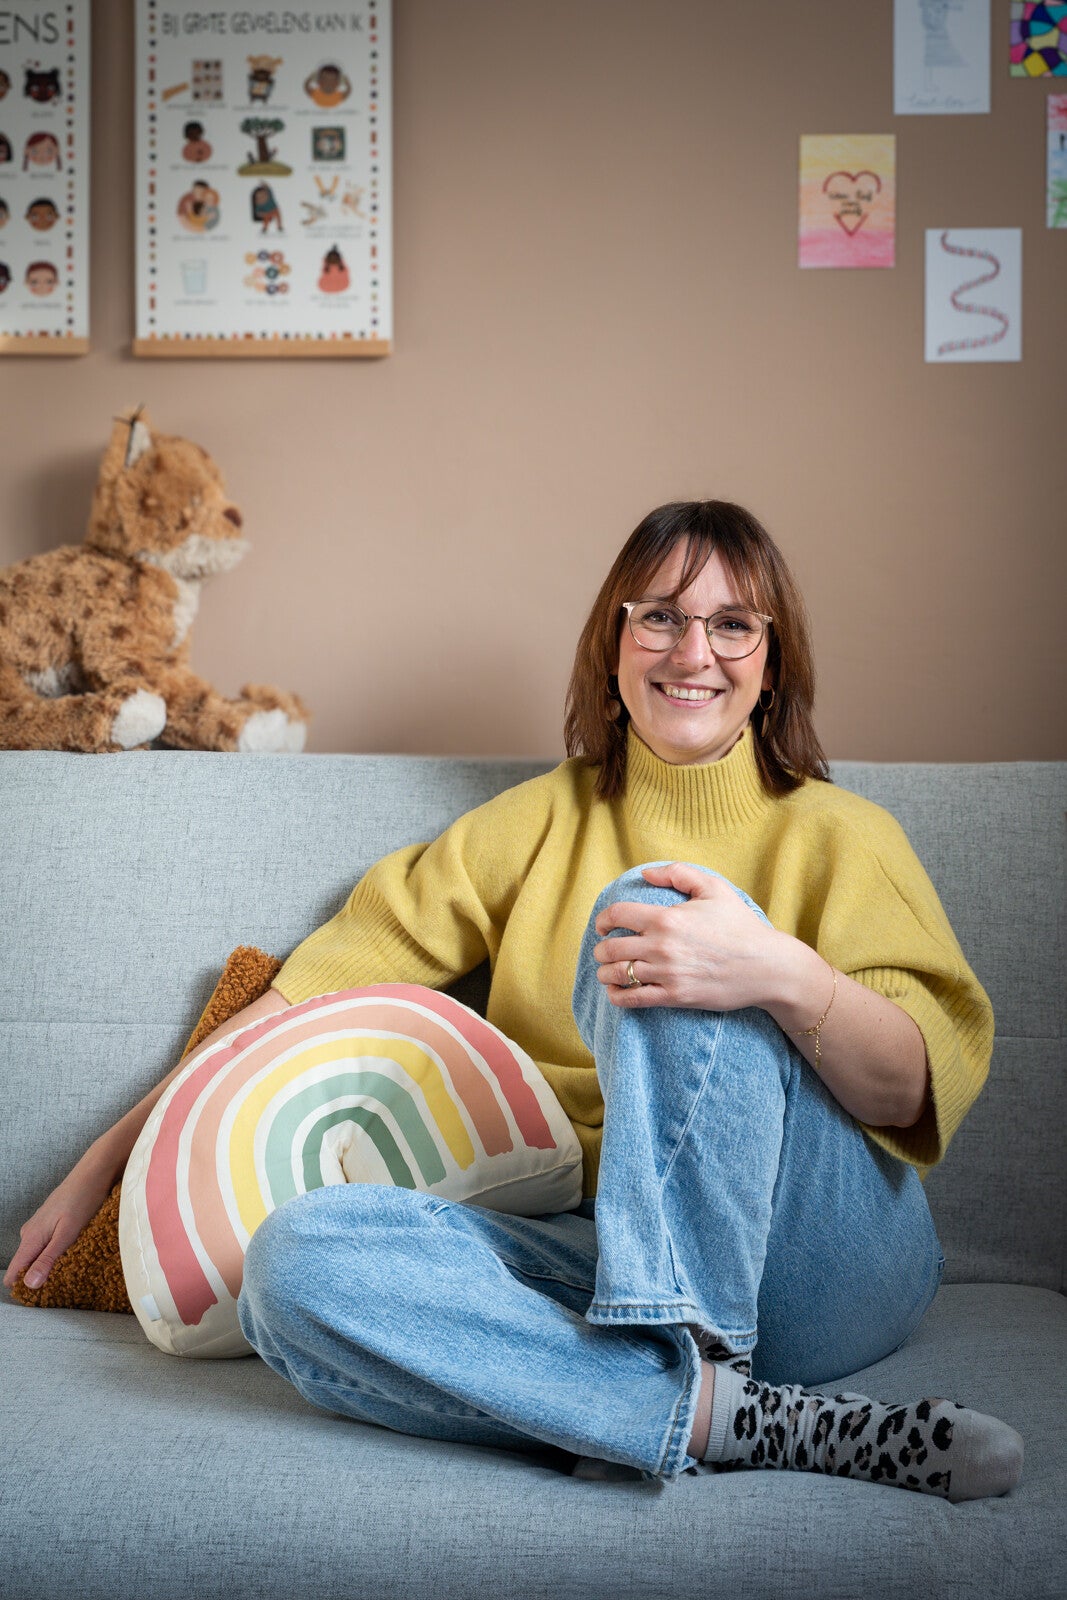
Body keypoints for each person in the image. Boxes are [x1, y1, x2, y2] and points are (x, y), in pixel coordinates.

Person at [4, 501, 1022, 1500]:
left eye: (730, 624)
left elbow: (906, 1089)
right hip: (605, 1257)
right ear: (613, 645)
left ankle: (671, 1374)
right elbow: (302, 997)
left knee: (657, 912)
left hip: (818, 1257)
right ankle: (729, 1415)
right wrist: (107, 1163)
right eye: (659, 616)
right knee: (292, 1267)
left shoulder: (844, 837)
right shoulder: (528, 825)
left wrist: (773, 971)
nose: (692, 651)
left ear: (771, 659)